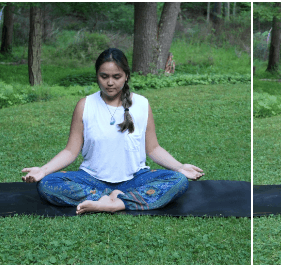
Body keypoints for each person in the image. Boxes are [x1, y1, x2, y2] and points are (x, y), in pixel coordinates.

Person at [21, 48, 205, 215]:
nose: (110, 83)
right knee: (47, 185)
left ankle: (113, 202)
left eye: (116, 77)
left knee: (178, 180)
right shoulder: (85, 105)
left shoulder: (141, 104)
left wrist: (180, 167)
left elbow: (153, 148)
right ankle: (117, 198)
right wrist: (43, 170)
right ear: (97, 76)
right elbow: (71, 151)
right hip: (91, 179)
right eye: (104, 76)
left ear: (126, 76)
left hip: (135, 178)